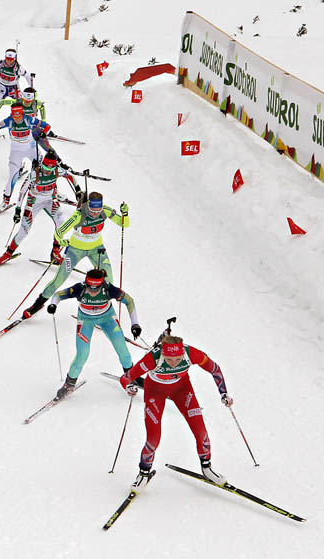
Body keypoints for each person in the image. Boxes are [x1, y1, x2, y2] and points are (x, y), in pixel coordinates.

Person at [119, 334, 232, 488]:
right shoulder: (153, 358)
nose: (173, 363)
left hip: (182, 389)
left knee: (201, 431)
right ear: (163, 353)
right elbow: (125, 377)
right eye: (169, 359)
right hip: (155, 392)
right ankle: (143, 473)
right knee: (153, 438)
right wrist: (129, 386)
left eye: (178, 359)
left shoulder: (191, 353)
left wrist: (223, 393)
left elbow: (215, 369)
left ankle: (207, 468)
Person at [21, 192, 129, 316]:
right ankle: (38, 304)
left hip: (96, 249)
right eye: (92, 211)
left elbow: (124, 224)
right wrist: (61, 241)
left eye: (98, 211)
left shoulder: (106, 211)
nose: (95, 214)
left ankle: (104, 310)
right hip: (75, 250)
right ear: (88, 206)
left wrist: (125, 213)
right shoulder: (78, 215)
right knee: (59, 280)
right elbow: (59, 232)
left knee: (109, 280)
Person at [44, 268, 141, 399]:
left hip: (107, 318)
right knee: (82, 355)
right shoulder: (79, 288)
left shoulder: (108, 289)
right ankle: (69, 384)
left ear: (101, 285)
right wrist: (53, 305)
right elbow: (58, 295)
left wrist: (135, 324)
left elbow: (129, 300)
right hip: (86, 321)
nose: (93, 292)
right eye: (90, 288)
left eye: (96, 289)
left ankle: (130, 376)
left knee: (122, 348)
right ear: (86, 284)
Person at [0, 150, 81, 265]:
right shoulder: (34, 174)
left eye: (50, 169)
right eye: (46, 168)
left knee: (61, 223)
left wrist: (78, 191)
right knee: (24, 231)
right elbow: (22, 191)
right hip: (33, 203)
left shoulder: (57, 170)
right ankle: (8, 253)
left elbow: (70, 176)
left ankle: (55, 252)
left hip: (50, 200)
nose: (47, 171)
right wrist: (18, 210)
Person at [0, 101, 59, 209]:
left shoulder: (29, 119)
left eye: (19, 116)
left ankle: (53, 194)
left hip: (31, 149)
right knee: (12, 177)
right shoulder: (8, 121)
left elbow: (47, 126)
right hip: (16, 151)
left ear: (22, 113)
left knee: (46, 170)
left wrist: (43, 133)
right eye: (15, 116)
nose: (17, 119)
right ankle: (5, 201)